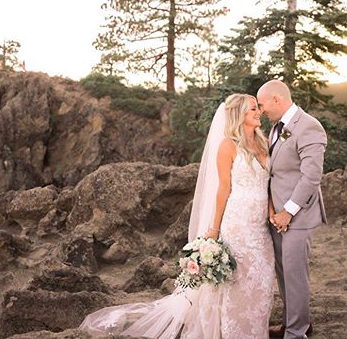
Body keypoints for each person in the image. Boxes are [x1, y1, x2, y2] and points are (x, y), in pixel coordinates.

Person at [79, 93, 275, 338]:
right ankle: (235, 330)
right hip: (238, 222)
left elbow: (269, 185)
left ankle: (257, 327)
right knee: (237, 278)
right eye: (253, 109)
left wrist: (271, 211)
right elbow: (223, 188)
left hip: (260, 224)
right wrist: (214, 229)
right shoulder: (228, 145)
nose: (259, 112)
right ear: (239, 115)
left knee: (262, 276)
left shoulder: (263, 141)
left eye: (258, 108)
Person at [257, 80, 328, 339]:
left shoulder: (309, 126)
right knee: (284, 272)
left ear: (277, 99)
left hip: (297, 215)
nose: (261, 110)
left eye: (263, 105)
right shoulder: (277, 127)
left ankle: (296, 334)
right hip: (277, 217)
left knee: (295, 274)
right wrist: (274, 211)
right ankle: (293, 323)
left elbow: (311, 177)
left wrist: (288, 211)